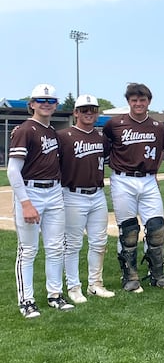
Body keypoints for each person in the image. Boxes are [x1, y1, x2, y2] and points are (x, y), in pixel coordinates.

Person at [104, 83, 164, 292]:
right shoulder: (114, 124)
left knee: (156, 227)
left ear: (149, 102)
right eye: (134, 100)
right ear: (128, 102)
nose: (138, 103)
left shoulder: (157, 126)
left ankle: (157, 273)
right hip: (123, 179)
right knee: (128, 230)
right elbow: (104, 146)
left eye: (142, 100)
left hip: (147, 179)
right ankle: (130, 276)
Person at [9, 84, 73, 317]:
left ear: (56, 105)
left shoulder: (51, 131)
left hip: (54, 191)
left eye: (51, 101)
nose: (46, 104)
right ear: (32, 104)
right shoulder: (26, 129)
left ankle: (55, 294)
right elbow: (13, 171)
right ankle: (26, 300)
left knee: (56, 247)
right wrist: (25, 203)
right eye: (41, 100)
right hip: (31, 191)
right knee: (28, 249)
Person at [58, 94, 115, 304]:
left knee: (99, 242)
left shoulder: (101, 138)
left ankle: (95, 284)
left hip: (97, 194)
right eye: (84, 110)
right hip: (72, 194)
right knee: (72, 245)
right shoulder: (63, 136)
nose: (89, 113)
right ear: (75, 113)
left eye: (92, 109)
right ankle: (73, 286)